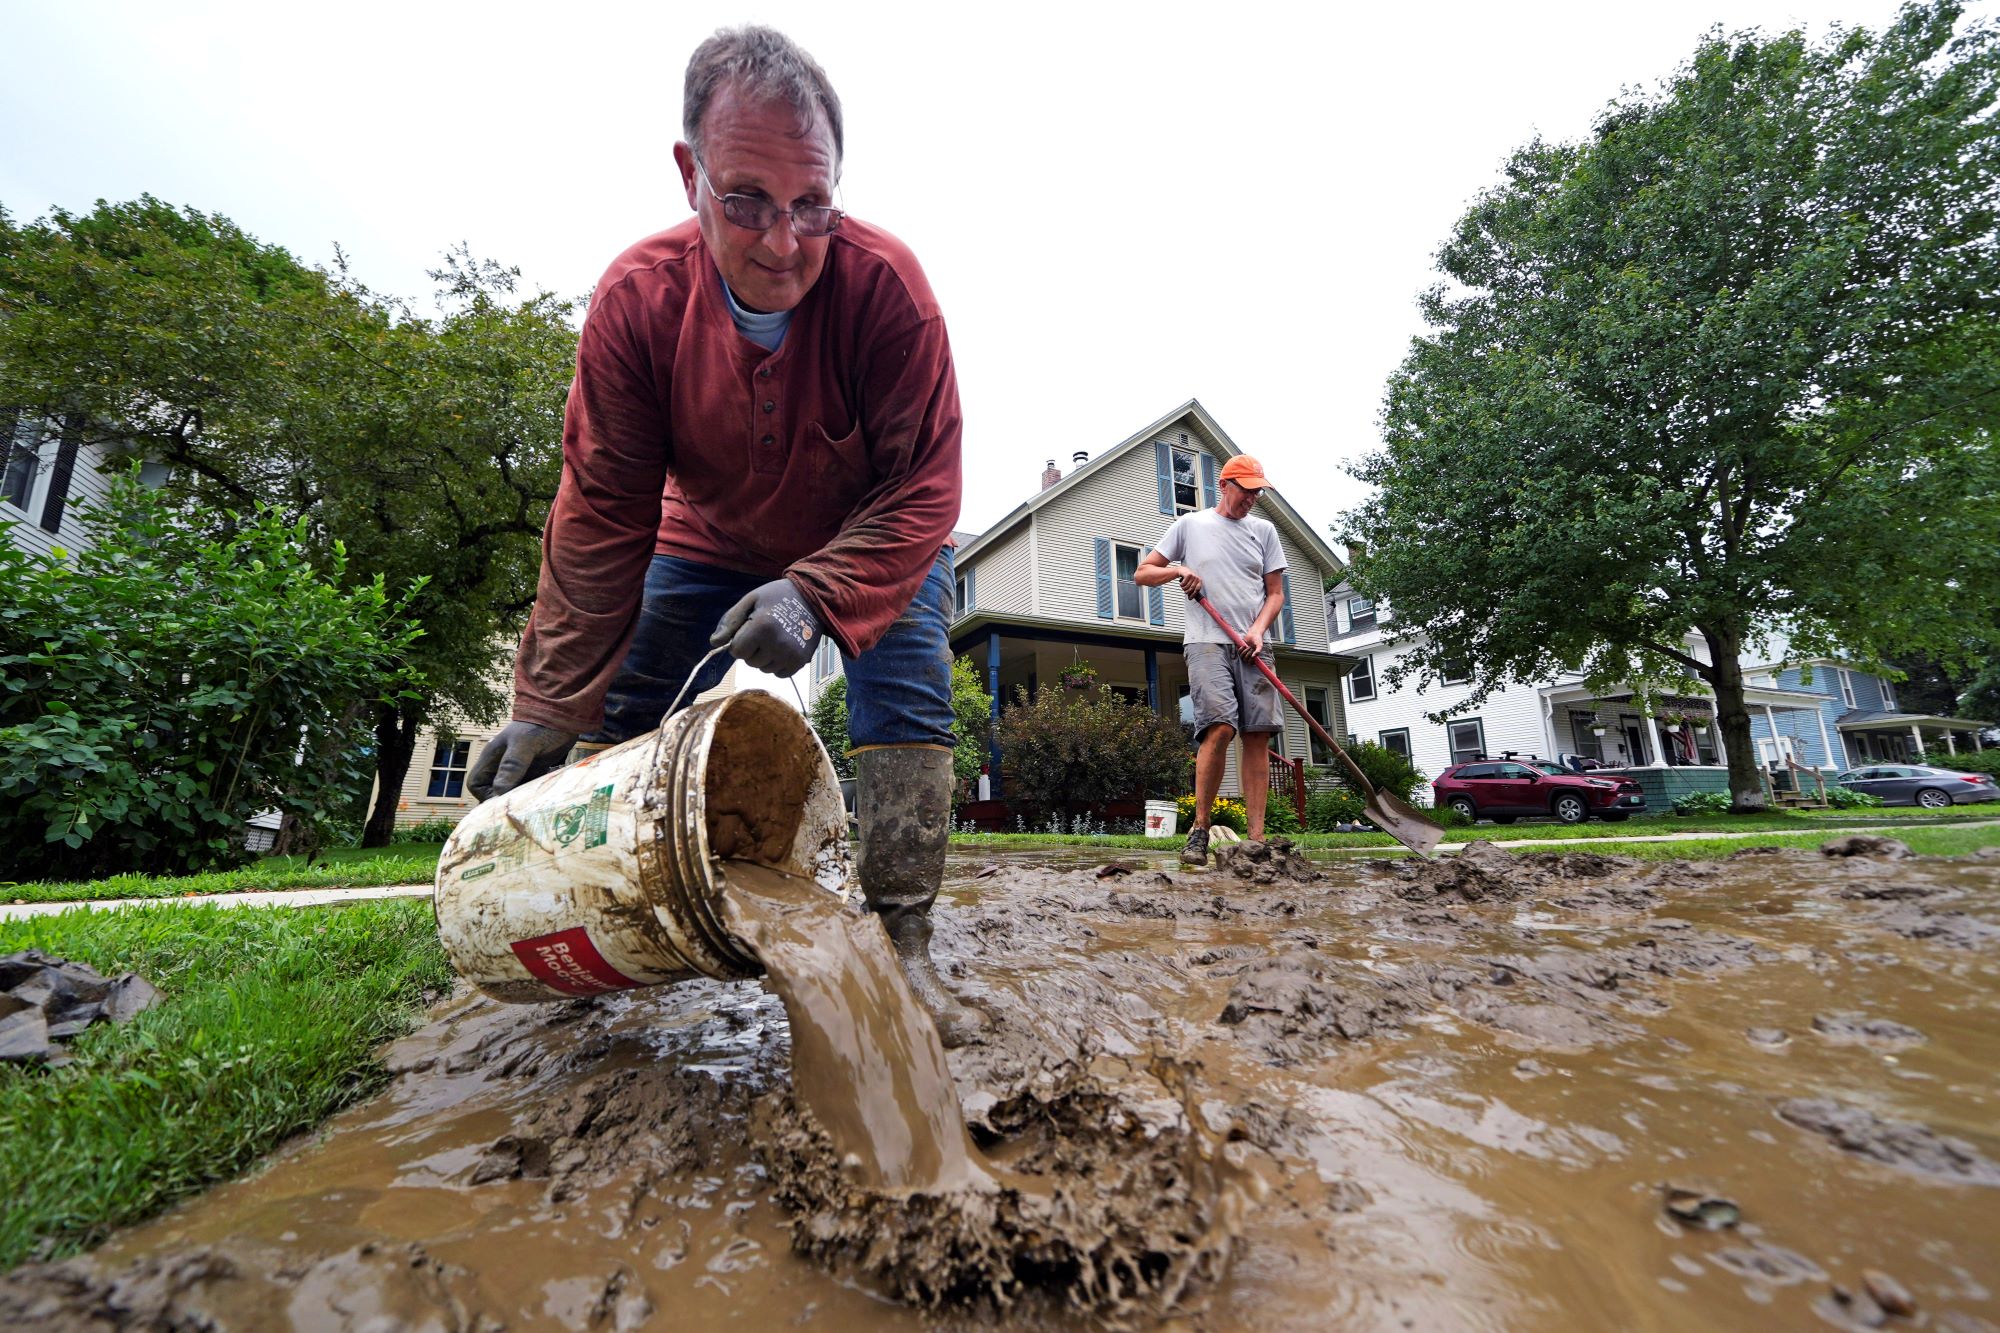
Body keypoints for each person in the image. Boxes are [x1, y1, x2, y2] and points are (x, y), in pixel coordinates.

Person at [466, 26, 984, 1045]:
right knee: (615, 704)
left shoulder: (888, 294)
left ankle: (906, 942)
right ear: (687, 174)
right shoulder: (635, 303)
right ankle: (583, 922)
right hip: (701, 532)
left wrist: (818, 593)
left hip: (874, 534)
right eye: (744, 199)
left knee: (910, 687)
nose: (783, 242)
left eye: (811, 206)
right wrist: (545, 699)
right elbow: (599, 513)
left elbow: (926, 486)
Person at [1134, 456, 1287, 866]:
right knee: (1219, 727)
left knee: (1257, 735)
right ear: (1224, 485)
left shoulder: (1264, 531)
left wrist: (1257, 631)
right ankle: (1200, 830)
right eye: (1246, 489)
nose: (1252, 498)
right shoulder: (1190, 526)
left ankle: (1255, 840)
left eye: (1258, 491)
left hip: (1254, 644)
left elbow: (1275, 594)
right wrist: (1177, 571)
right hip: (1206, 641)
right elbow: (1142, 572)